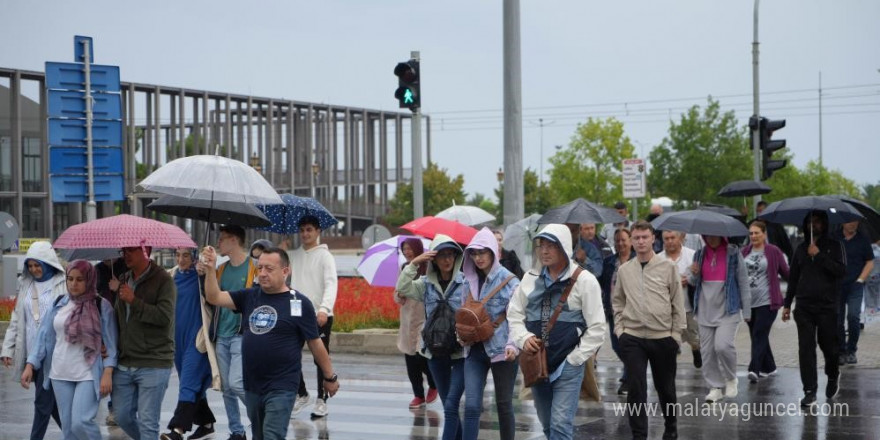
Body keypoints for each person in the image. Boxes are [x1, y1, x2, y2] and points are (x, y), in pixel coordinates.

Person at [201, 246, 340, 440]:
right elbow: (214, 297)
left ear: (285, 271)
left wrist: (329, 377)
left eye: (269, 269)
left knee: (272, 435)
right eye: (260, 268)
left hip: (282, 385)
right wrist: (209, 269)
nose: (263, 273)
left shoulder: (299, 303)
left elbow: (316, 344)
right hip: (253, 385)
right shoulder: (249, 296)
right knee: (259, 435)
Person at [507, 223, 605, 440]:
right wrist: (524, 338)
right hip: (537, 364)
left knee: (560, 425)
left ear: (565, 247)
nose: (544, 251)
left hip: (568, 366)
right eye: (541, 245)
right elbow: (514, 315)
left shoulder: (584, 280)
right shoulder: (529, 278)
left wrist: (575, 359)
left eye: (551, 246)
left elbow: (598, 327)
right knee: (548, 426)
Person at [21, 260, 118, 440]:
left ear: (89, 280)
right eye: (70, 279)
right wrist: (30, 365)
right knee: (68, 429)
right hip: (59, 373)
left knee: (81, 421)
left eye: (80, 279)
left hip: (88, 374)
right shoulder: (59, 303)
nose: (73, 284)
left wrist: (108, 371)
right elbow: (43, 337)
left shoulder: (101, 306)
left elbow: (112, 345)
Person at [612, 221, 685, 440]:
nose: (641, 241)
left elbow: (677, 302)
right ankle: (639, 434)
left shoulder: (668, 267)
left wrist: (676, 335)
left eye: (645, 237)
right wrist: (620, 329)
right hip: (633, 337)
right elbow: (618, 302)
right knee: (636, 388)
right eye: (637, 238)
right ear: (632, 241)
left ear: (653, 238)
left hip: (662, 337)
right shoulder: (625, 270)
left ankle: (671, 425)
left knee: (666, 389)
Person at [396, 234, 468, 440]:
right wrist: (415, 262)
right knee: (449, 405)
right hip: (435, 352)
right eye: (442, 255)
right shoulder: (425, 284)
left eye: (451, 255)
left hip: (461, 353)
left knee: (452, 404)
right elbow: (402, 288)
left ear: (456, 257)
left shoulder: (466, 284)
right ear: (434, 259)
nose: (447, 260)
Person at [1, 241, 66, 440]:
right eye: (30, 265)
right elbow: (17, 318)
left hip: (56, 354)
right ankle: (76, 434)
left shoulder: (63, 283)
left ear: (48, 263)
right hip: (32, 353)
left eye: (38, 265)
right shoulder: (26, 285)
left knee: (42, 402)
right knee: (49, 403)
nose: (34, 269)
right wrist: (7, 349)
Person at [460, 227, 520, 440]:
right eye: (474, 253)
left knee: (503, 405)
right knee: (472, 406)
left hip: (503, 351)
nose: (478, 258)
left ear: (494, 252)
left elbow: (517, 318)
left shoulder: (510, 281)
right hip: (474, 351)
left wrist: (513, 345)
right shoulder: (467, 281)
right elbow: (463, 313)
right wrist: (462, 334)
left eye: (483, 252)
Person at [111, 245, 176, 440]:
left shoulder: (163, 280)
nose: (126, 254)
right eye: (124, 250)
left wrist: (134, 301)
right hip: (125, 362)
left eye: (131, 249)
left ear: (145, 249)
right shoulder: (124, 279)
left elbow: (165, 317)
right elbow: (119, 319)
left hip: (153, 361)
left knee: (148, 423)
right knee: (122, 417)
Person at [782, 211, 846, 407]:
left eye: (817, 222)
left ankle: (833, 374)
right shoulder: (800, 249)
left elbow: (841, 271)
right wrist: (787, 304)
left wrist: (819, 256)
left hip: (827, 306)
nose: (813, 225)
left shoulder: (835, 246)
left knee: (829, 347)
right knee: (806, 349)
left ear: (824, 224)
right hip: (804, 307)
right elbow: (792, 278)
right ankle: (809, 391)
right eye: (810, 222)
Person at [161, 248, 217, 440]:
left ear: (194, 256)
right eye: (177, 255)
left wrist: (205, 274)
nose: (181, 259)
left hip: (197, 338)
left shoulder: (202, 274)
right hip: (177, 339)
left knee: (188, 382)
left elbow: (212, 298)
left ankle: (178, 429)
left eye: (186, 255)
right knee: (192, 382)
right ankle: (206, 423)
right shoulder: (171, 275)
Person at [690, 235, 750, 403]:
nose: (711, 238)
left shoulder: (733, 253)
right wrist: (693, 273)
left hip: (727, 310)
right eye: (707, 235)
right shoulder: (699, 255)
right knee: (707, 352)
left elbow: (743, 282)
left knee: (723, 346)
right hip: (704, 310)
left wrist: (747, 311)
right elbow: (694, 282)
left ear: (723, 236)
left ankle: (731, 378)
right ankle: (715, 387)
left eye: (715, 235)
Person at [289, 216, 338, 418]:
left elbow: (331, 283)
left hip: (319, 314)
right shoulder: (293, 255)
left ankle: (321, 399)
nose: (305, 234)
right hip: (296, 312)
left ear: (318, 231)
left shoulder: (325, 256)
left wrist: (324, 309)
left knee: (320, 357)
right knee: (290, 355)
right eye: (302, 230)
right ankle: (302, 393)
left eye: (309, 229)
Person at [213, 225, 258, 440]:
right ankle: (236, 431)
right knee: (226, 388)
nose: (218, 243)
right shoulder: (220, 270)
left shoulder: (254, 267)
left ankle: (261, 415)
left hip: (242, 334)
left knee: (236, 382)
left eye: (221, 239)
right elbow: (209, 296)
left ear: (233, 240)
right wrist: (206, 271)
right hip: (221, 334)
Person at [741, 221, 790, 383]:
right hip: (749, 303)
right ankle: (770, 367)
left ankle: (754, 369)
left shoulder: (773, 251)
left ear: (764, 234)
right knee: (757, 335)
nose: (753, 236)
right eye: (751, 233)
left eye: (757, 233)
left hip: (768, 301)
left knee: (759, 334)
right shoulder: (744, 252)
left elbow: (786, 273)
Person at [394, 237, 438, 409]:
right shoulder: (405, 268)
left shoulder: (429, 268)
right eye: (404, 249)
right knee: (410, 361)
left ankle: (434, 383)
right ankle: (418, 395)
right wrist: (400, 296)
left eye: (409, 249)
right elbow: (397, 292)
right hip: (407, 320)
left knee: (422, 358)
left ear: (418, 249)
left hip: (424, 319)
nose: (406, 252)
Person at [598, 228, 635, 395]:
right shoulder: (609, 262)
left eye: (624, 240)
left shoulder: (638, 260)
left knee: (628, 345)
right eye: (617, 240)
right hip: (614, 310)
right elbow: (600, 281)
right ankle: (633, 369)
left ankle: (628, 379)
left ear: (631, 241)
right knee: (616, 345)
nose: (620, 243)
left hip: (634, 311)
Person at [657, 231, 701, 369]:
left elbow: (700, 278)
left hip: (688, 307)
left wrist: (690, 278)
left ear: (680, 238)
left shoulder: (692, 255)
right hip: (668, 310)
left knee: (694, 337)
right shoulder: (658, 259)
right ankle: (670, 363)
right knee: (671, 341)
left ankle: (696, 350)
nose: (670, 241)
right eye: (666, 239)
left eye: (672, 238)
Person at [833, 219, 874, 365]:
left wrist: (861, 279)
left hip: (855, 285)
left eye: (855, 222)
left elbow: (870, 261)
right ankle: (841, 351)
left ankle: (851, 350)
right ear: (842, 223)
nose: (853, 224)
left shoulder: (863, 240)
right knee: (837, 319)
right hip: (837, 285)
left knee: (853, 317)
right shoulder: (834, 238)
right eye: (849, 222)